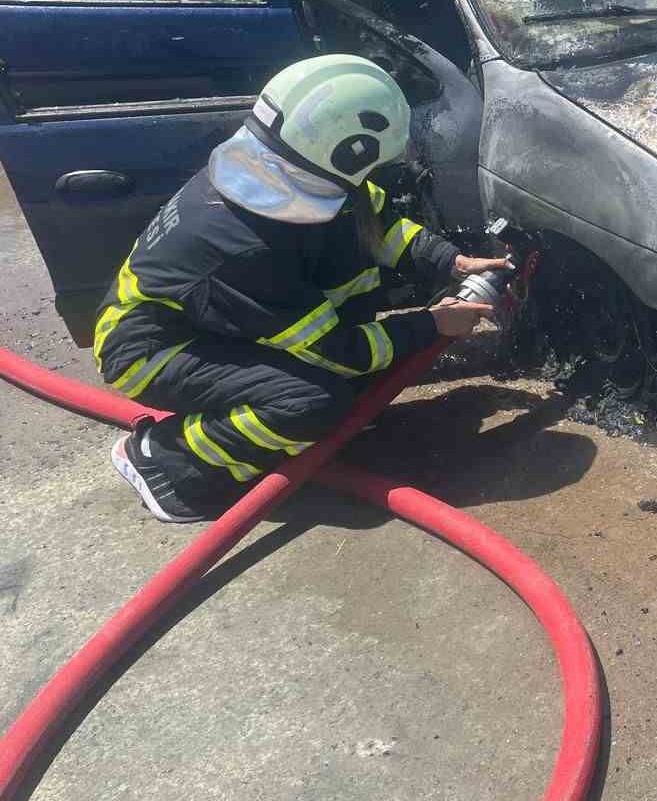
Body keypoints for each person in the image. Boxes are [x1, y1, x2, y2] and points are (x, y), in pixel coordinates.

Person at [98, 55, 510, 523]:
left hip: (213, 320)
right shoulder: (244, 247)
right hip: (152, 349)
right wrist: (432, 324)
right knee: (309, 402)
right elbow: (338, 352)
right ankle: (169, 459)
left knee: (344, 365)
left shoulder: (291, 166)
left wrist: (451, 261)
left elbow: (377, 222)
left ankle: (260, 425)